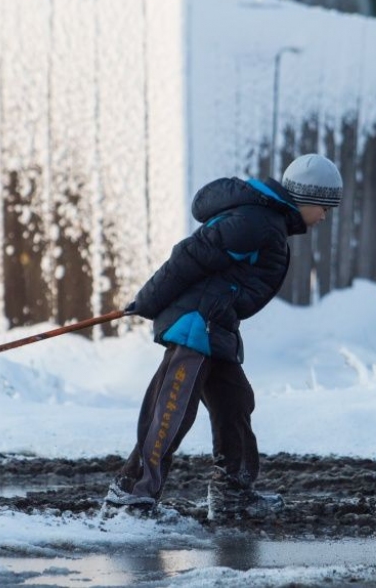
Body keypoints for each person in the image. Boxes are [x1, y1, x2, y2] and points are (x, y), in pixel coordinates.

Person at [103, 153, 343, 521]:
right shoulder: (256, 223)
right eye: (324, 206)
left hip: (217, 326)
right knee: (172, 410)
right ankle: (132, 496)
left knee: (235, 403)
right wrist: (149, 300)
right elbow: (189, 256)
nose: (325, 216)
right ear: (305, 197)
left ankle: (234, 492)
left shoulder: (269, 222)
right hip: (197, 324)